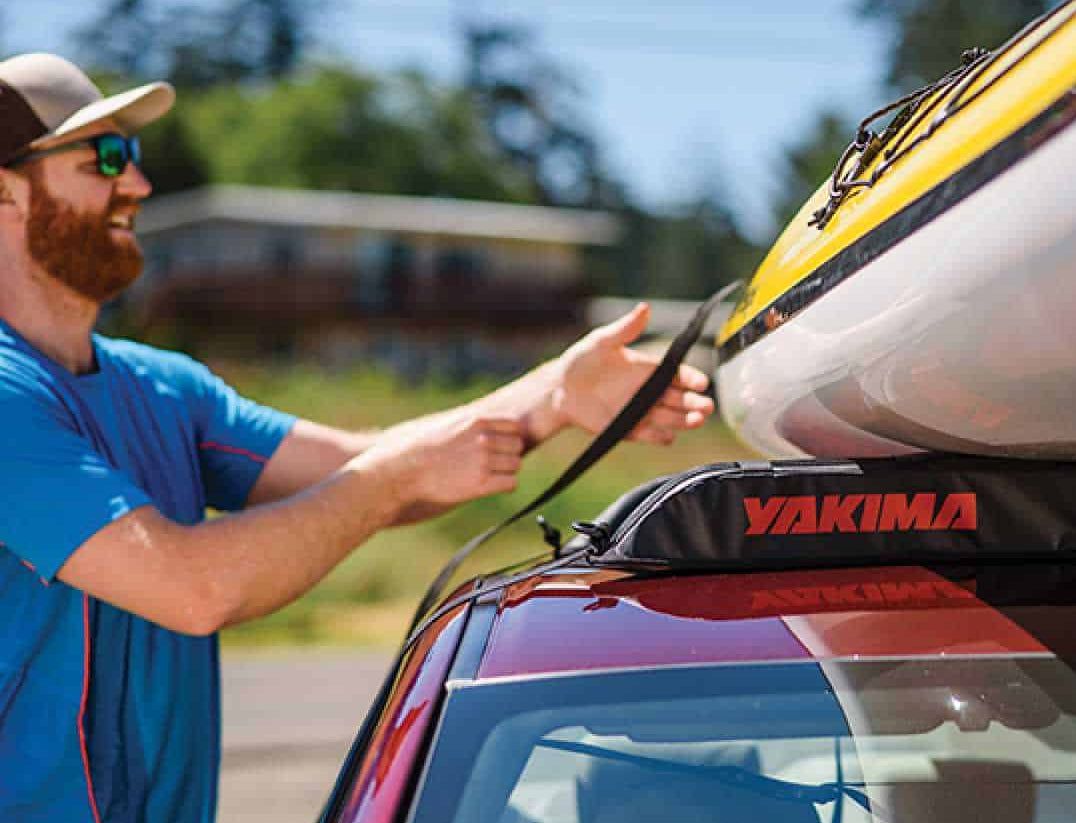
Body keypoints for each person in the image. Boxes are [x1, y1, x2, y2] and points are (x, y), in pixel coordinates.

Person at [0, 53, 715, 823]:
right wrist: (393, 479)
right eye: (104, 157)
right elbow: (194, 586)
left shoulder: (162, 387)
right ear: (8, 188)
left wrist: (555, 396)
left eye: (132, 155)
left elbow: (351, 468)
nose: (135, 183)